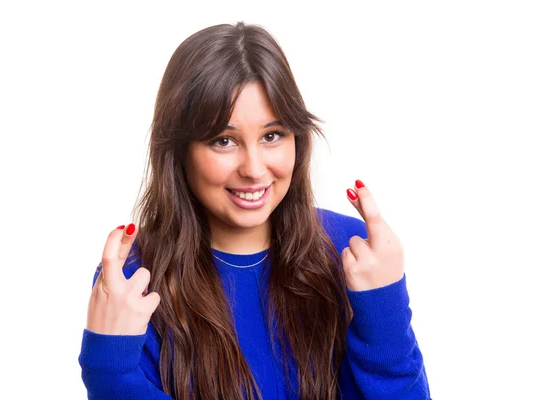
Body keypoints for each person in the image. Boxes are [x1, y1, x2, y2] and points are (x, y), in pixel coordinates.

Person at [78, 21, 431, 400]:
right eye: (224, 140)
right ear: (179, 152)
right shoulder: (134, 281)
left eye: (272, 135)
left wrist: (385, 310)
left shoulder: (353, 253)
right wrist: (110, 372)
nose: (254, 169)